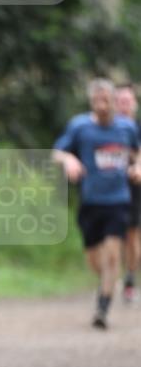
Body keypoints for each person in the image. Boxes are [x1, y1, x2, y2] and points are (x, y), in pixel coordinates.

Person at [53, 78, 140, 329]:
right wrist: (68, 160)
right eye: (96, 101)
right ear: (91, 103)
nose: (102, 106)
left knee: (113, 255)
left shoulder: (127, 128)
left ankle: (103, 306)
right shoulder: (80, 127)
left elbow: (137, 151)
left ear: (114, 101)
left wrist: (138, 166)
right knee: (95, 259)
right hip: (90, 202)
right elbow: (57, 152)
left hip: (119, 200)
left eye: (106, 100)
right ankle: (107, 283)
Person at [115, 83, 141, 302]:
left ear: (134, 104)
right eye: (120, 102)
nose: (124, 106)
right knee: (114, 236)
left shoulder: (137, 129)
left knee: (132, 235)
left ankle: (130, 279)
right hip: (110, 188)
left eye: (127, 101)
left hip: (134, 188)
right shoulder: (108, 128)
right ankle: (113, 276)